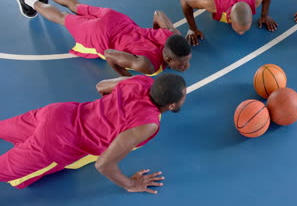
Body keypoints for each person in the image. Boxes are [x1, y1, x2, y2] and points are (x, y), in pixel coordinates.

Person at [0, 73, 186, 194]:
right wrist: (131, 185)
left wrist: (114, 108)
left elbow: (102, 86)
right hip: (57, 142)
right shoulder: (147, 124)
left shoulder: (142, 81)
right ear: (171, 105)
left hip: (59, 112)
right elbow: (104, 164)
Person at [15, 0, 192, 76]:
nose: (187, 66)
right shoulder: (148, 65)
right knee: (63, 18)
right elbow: (109, 54)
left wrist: (153, 31)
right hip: (101, 34)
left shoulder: (173, 36)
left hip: (115, 19)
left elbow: (158, 14)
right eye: (183, 63)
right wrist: (126, 79)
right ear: (168, 60)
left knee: (76, 6)